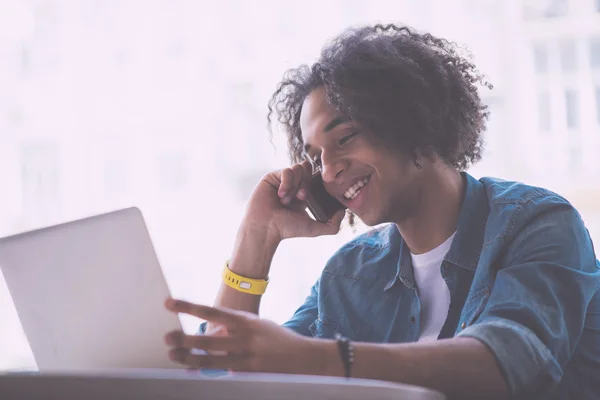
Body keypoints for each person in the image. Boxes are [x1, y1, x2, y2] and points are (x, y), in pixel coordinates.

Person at [163, 24, 600, 399]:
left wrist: (323, 359)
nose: (329, 170)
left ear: (413, 120)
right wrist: (257, 237)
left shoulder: (538, 223)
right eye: (315, 157)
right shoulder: (349, 274)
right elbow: (219, 379)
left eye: (346, 137)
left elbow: (508, 362)